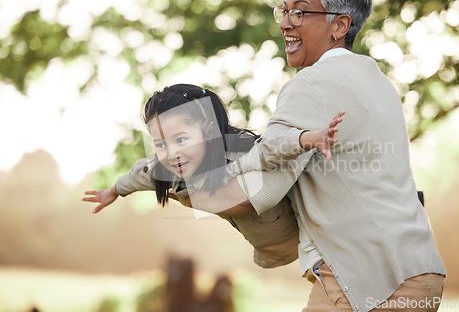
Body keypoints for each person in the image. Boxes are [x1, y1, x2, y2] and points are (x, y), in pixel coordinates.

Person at [111, 0, 445, 311]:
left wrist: (182, 185)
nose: (285, 23)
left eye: (299, 13)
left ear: (339, 25)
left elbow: (259, 192)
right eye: (283, 11)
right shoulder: (378, 81)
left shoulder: (310, 85)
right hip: (421, 269)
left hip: (365, 279)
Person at [83, 83, 344, 269]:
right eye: (160, 144)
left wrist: (307, 139)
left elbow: (271, 150)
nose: (172, 153)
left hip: (303, 228)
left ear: (208, 132)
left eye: (181, 139)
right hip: (273, 246)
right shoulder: (167, 170)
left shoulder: (240, 149)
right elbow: (139, 173)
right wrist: (114, 191)